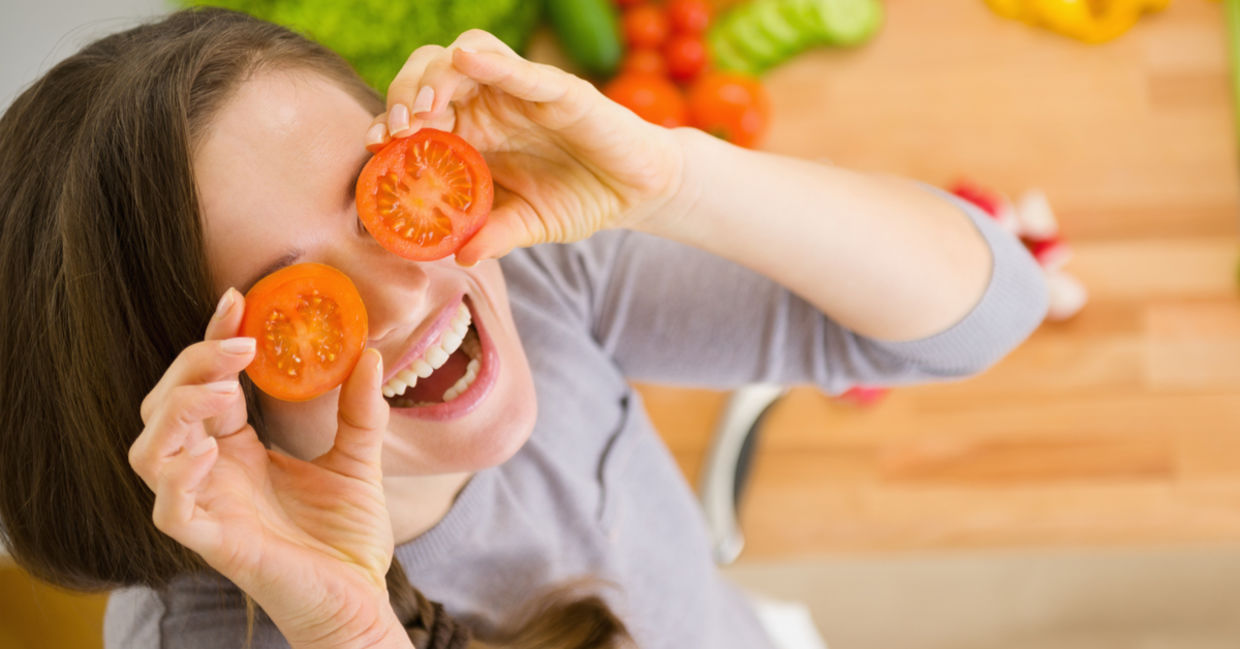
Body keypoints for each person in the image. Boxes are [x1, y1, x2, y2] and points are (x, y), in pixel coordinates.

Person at [0, 7, 1048, 649]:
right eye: (297, 307)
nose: (410, 291)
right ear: (199, 417)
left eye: (384, 193)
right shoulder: (201, 636)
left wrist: (675, 179)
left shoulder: (534, 279)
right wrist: (349, 628)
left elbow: (986, 309)